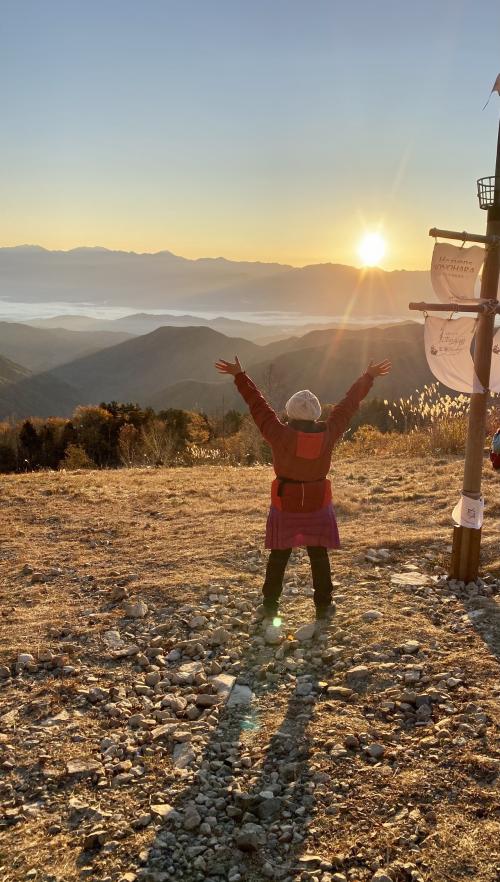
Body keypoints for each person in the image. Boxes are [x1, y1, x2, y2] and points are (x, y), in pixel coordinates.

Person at [215, 355, 392, 622]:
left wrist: (240, 376)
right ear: (317, 413)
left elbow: (258, 406)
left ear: (289, 412)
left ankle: (270, 607)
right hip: (317, 503)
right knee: (319, 557)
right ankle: (323, 607)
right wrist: (367, 378)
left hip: (285, 503)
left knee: (278, 558)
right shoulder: (329, 433)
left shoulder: (278, 434)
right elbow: (347, 407)